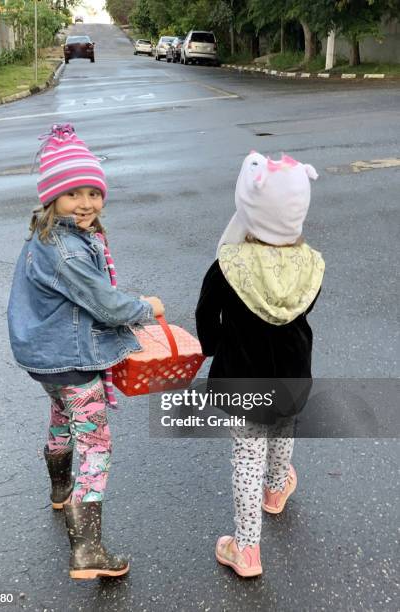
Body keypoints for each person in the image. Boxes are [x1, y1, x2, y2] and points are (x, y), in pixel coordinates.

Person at [7, 123, 164, 580]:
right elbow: (107, 305)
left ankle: (59, 486)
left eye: (93, 193)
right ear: (52, 197)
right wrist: (145, 307)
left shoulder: (44, 235)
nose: (86, 204)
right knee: (96, 442)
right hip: (70, 358)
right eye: (73, 194)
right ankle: (88, 548)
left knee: (61, 415)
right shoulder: (67, 250)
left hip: (45, 359)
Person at [195, 151, 325, 577]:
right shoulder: (311, 264)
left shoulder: (229, 264)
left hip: (242, 376)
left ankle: (246, 548)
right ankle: (276, 489)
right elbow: (303, 311)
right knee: (285, 426)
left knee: (246, 456)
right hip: (292, 373)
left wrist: (212, 346)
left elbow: (205, 313)